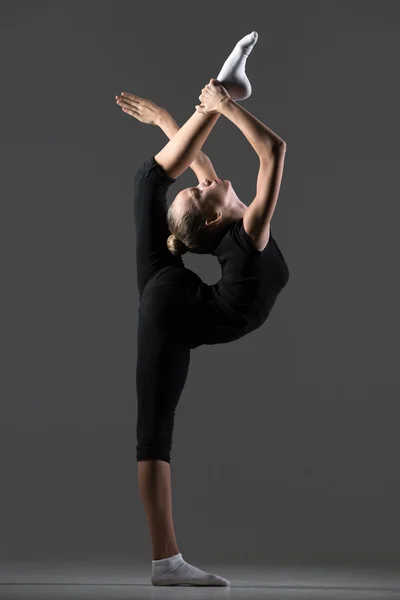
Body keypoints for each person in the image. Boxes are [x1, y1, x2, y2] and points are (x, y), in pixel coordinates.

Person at [115, 32, 288, 587]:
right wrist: (224, 107)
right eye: (201, 189)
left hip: (175, 298)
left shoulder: (227, 233)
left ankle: (166, 563)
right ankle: (166, 563)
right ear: (213, 218)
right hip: (177, 304)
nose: (204, 180)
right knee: (153, 428)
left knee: (148, 181)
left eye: (198, 187)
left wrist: (176, 117)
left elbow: (204, 165)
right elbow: (274, 152)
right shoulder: (249, 232)